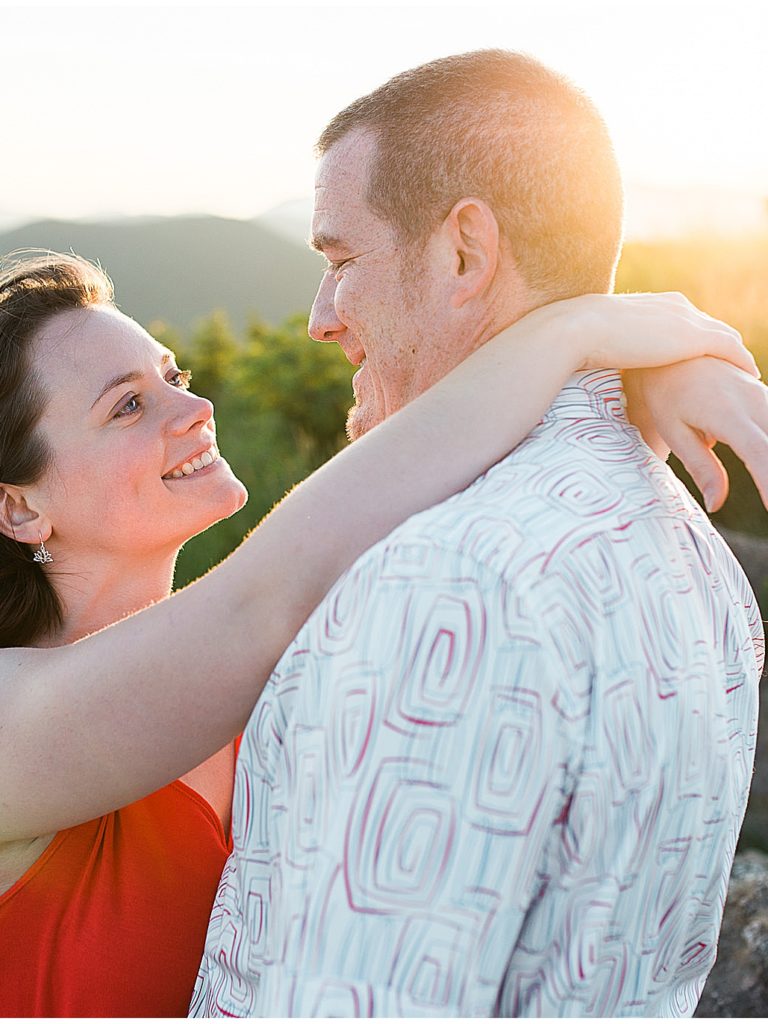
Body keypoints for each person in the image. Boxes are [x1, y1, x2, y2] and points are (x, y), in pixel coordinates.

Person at [0, 254, 757, 1016]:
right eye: (127, 406)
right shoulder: (11, 724)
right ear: (21, 509)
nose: (191, 410)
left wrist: (633, 378)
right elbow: (279, 574)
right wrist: (583, 328)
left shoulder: (286, 656)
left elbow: (414, 469)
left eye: (176, 378)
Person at [191, 51, 766, 1017]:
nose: (320, 320)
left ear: (464, 252)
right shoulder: (688, 549)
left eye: (339, 262)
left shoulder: (445, 583)